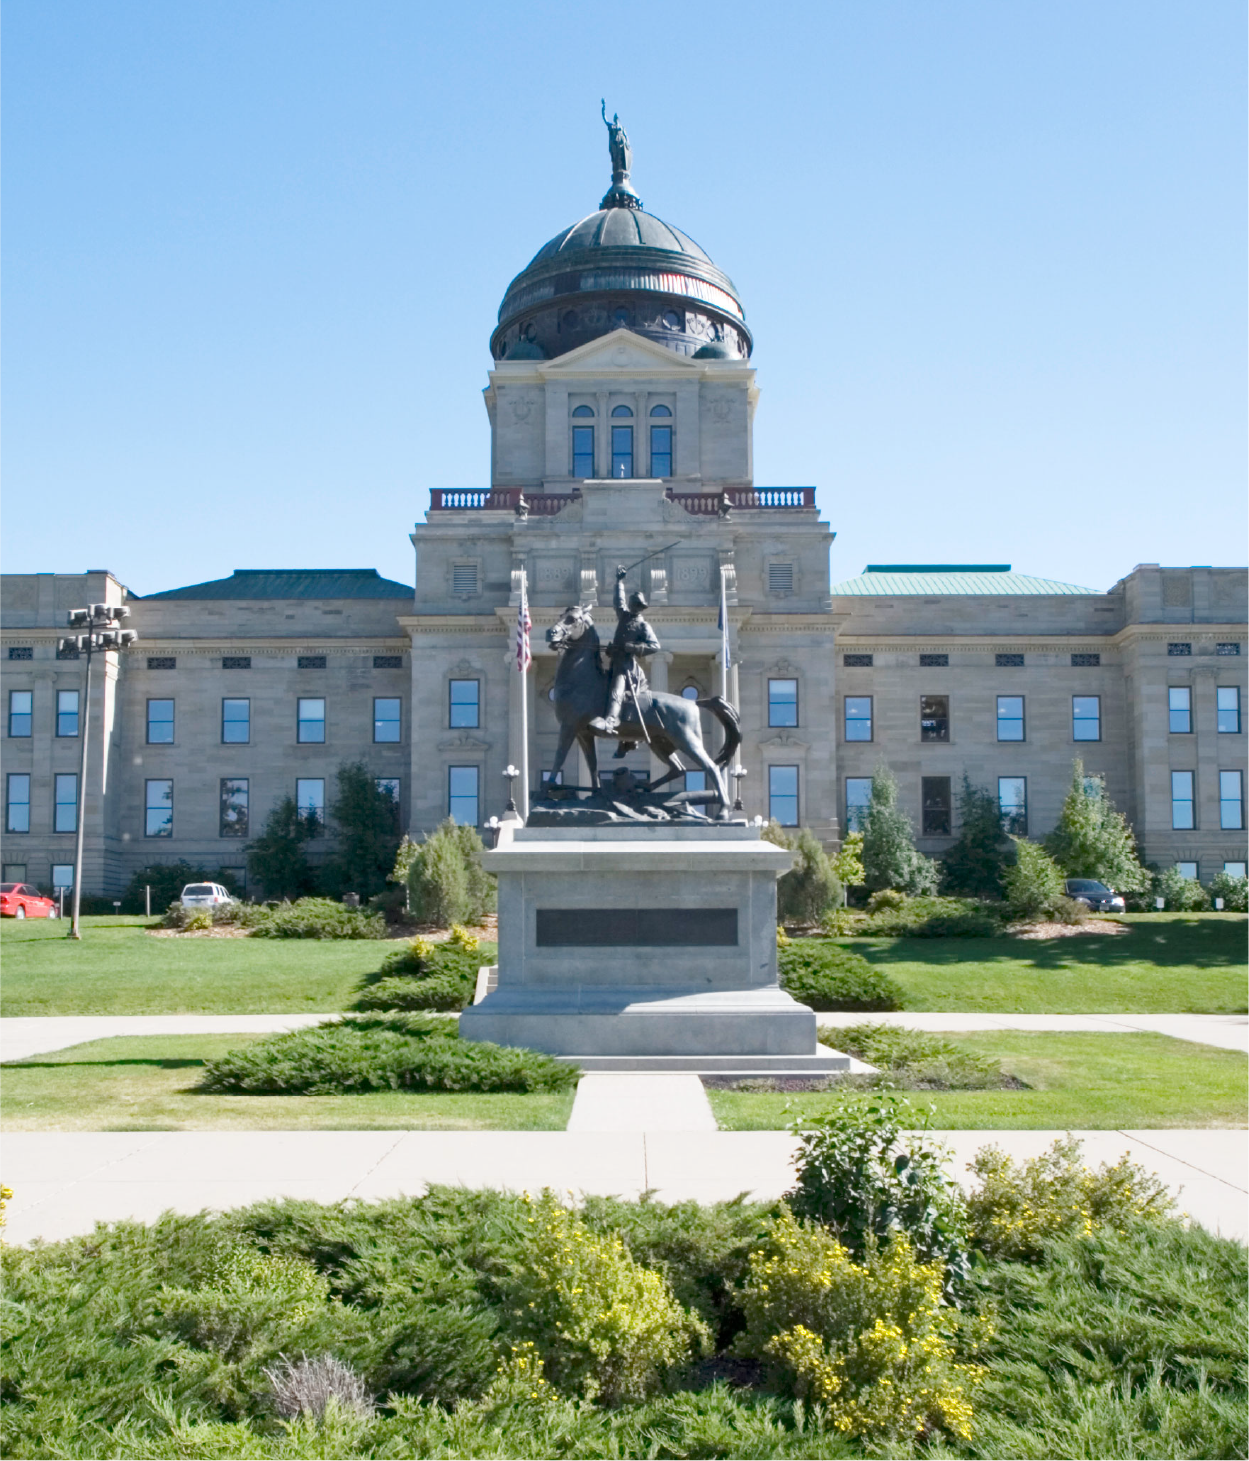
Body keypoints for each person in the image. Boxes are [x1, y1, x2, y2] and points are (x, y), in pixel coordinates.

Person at [589, 566, 660, 735]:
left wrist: (633, 648)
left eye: (637, 605)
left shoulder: (643, 625)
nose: (634, 607)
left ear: (641, 607)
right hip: (615, 662)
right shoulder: (624, 616)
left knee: (616, 690)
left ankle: (611, 721)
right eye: (633, 604)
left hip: (627, 666)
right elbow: (617, 602)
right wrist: (619, 582)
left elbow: (655, 646)